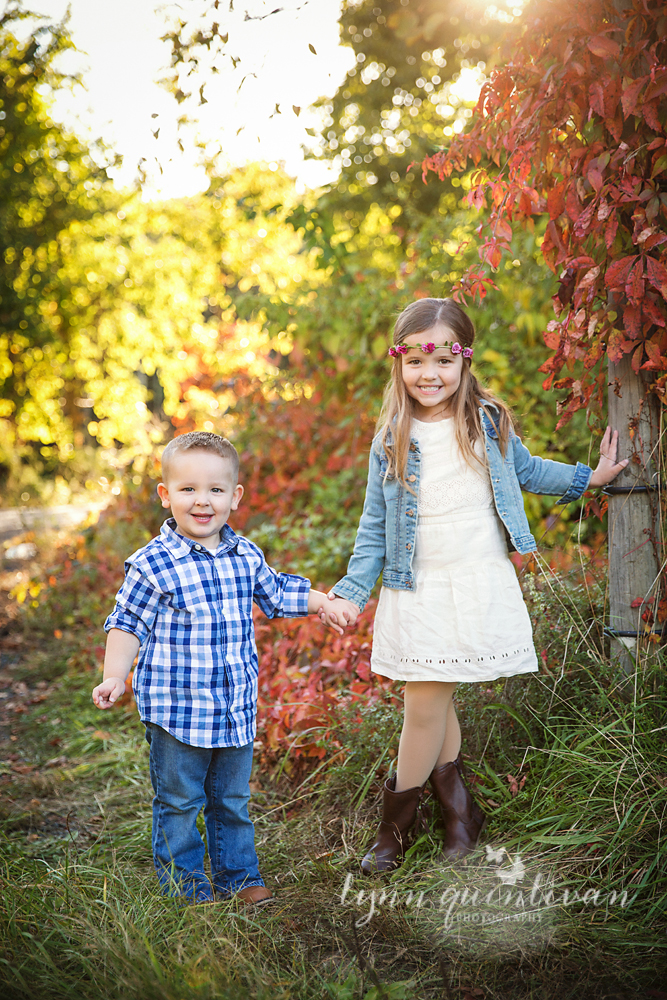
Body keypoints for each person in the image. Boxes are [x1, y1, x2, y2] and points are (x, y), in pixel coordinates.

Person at [326, 298, 628, 874]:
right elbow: (374, 525)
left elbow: (529, 471)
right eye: (416, 360)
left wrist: (589, 478)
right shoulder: (391, 435)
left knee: (432, 703)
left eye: (443, 359)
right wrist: (351, 590)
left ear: (464, 361)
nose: (429, 374)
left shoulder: (485, 422)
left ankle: (409, 829)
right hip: (416, 588)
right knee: (427, 706)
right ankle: (445, 818)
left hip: (475, 579)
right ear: (399, 364)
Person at [92, 431, 351, 905]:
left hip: (233, 708)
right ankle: (186, 887)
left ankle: (239, 876)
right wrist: (115, 674)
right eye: (188, 489)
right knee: (179, 802)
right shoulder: (152, 565)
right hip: (176, 712)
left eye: (215, 489)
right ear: (166, 495)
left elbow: (277, 592)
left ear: (234, 497)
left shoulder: (244, 554)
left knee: (231, 801)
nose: (202, 501)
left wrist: (322, 604)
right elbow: (126, 624)